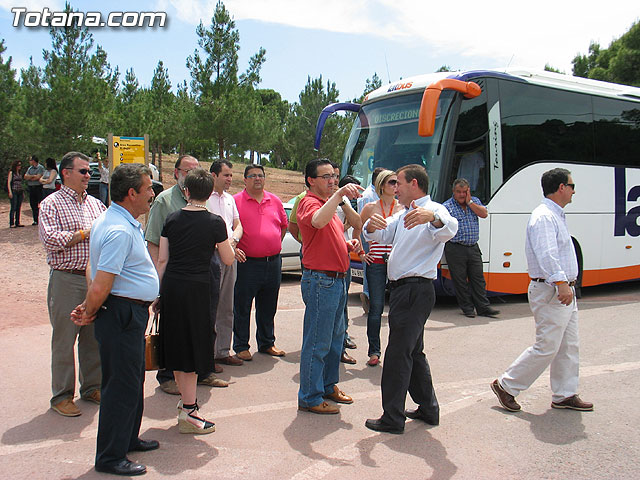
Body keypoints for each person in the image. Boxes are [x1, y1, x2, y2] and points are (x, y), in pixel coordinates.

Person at [71, 163, 160, 476]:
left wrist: (91, 306)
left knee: (132, 380)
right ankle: (110, 457)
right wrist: (90, 309)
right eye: (149, 188)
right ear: (132, 193)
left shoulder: (116, 221)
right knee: (120, 385)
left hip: (128, 313)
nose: (153, 193)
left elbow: (91, 268)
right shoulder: (119, 229)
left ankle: (127, 439)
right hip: (120, 313)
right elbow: (101, 280)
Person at [363, 164, 458, 434]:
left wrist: (432, 218)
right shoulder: (402, 214)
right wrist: (371, 227)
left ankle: (392, 417)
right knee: (413, 352)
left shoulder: (434, 209)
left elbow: (450, 228)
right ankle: (428, 409)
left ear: (414, 184)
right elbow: (380, 234)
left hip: (415, 290)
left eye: (398, 183)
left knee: (397, 354)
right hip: (406, 291)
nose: (395, 188)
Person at [491, 168, 593, 413]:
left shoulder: (554, 215)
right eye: (571, 185)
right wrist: (560, 283)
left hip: (560, 290)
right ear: (560, 187)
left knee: (568, 345)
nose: (573, 190)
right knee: (547, 345)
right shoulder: (544, 216)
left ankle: (564, 394)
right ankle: (507, 385)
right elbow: (546, 253)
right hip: (551, 290)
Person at [153, 168, 235, 435]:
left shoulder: (172, 219)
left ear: (186, 191)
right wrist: (229, 240)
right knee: (191, 348)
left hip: (173, 287)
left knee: (177, 345)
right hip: (198, 289)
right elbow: (228, 259)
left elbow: (162, 260)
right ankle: (190, 410)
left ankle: (186, 406)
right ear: (209, 193)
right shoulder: (214, 223)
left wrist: (158, 293)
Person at [145, 155, 227, 393]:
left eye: (196, 169)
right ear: (176, 173)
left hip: (205, 271)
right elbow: (154, 243)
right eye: (187, 169)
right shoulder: (164, 201)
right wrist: (157, 285)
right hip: (179, 274)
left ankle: (202, 370)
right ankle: (168, 375)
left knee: (205, 323)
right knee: (176, 328)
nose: (191, 172)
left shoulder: (203, 201)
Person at [38, 151, 106, 417]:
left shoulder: (96, 205)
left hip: (93, 280)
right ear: (66, 173)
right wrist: (84, 233)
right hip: (66, 278)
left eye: (90, 171)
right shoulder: (51, 204)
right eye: (83, 171)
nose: (89, 176)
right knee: (64, 339)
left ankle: (92, 387)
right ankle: (62, 396)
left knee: (92, 337)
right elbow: (50, 240)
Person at [296, 158, 363, 414]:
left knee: (335, 339)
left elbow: (330, 236)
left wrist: (348, 246)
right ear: (311, 180)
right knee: (317, 341)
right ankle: (310, 397)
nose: (332, 181)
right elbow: (316, 223)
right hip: (321, 281)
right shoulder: (309, 202)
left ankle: (327, 385)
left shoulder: (328, 204)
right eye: (325, 177)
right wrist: (339, 196)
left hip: (335, 279)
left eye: (333, 177)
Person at [232, 165, 288, 361]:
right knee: (242, 305)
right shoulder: (235, 201)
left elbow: (282, 227)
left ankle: (267, 343)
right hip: (247, 263)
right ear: (245, 180)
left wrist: (270, 246)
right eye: (252, 176)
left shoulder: (275, 200)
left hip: (272, 263)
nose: (257, 179)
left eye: (260, 176)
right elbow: (229, 229)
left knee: (268, 305)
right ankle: (240, 346)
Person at [360, 170, 404, 366]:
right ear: (381, 185)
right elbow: (356, 229)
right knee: (376, 308)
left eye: (397, 183)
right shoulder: (370, 208)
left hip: (396, 262)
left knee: (397, 309)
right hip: (376, 262)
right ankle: (374, 351)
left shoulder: (402, 208)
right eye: (392, 182)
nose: (396, 186)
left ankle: (396, 350)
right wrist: (362, 253)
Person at [443, 178, 500, 318]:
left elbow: (484, 214)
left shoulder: (474, 201)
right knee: (460, 280)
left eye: (464, 192)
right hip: (455, 248)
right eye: (459, 192)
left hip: (473, 247)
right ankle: (467, 308)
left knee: (478, 279)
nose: (462, 195)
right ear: (453, 192)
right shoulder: (447, 206)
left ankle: (483, 307)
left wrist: (469, 202)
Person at [207, 160, 245, 366]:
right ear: (214, 175)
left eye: (231, 175)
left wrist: (233, 241)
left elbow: (238, 225)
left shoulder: (230, 199)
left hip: (230, 254)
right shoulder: (205, 199)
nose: (230, 179)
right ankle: (207, 355)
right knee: (210, 306)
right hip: (211, 257)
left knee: (226, 305)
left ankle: (222, 351)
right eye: (226, 175)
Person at [336, 174, 362, 364]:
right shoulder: (333, 205)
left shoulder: (347, 205)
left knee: (343, 300)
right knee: (337, 306)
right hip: (330, 261)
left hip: (344, 256)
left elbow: (357, 223)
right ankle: (339, 344)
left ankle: (342, 337)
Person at [356, 167, 385, 314]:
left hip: (379, 236)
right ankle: (368, 296)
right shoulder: (368, 196)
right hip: (369, 236)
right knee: (370, 264)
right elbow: (361, 221)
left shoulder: (377, 194)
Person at [24, 155, 45, 225]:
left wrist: (31, 177)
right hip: (31, 188)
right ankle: (35, 220)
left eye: (30, 160)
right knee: (33, 204)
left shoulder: (40, 167)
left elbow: (38, 177)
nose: (29, 161)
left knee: (40, 204)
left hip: (38, 187)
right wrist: (33, 176)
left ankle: (41, 219)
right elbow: (25, 176)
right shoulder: (30, 168)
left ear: (33, 161)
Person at [7, 159, 25, 228]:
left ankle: (17, 222)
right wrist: (10, 192)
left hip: (20, 191)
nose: (19, 166)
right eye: (18, 165)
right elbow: (9, 182)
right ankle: (11, 223)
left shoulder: (19, 173)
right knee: (13, 207)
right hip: (14, 190)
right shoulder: (12, 173)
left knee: (18, 207)